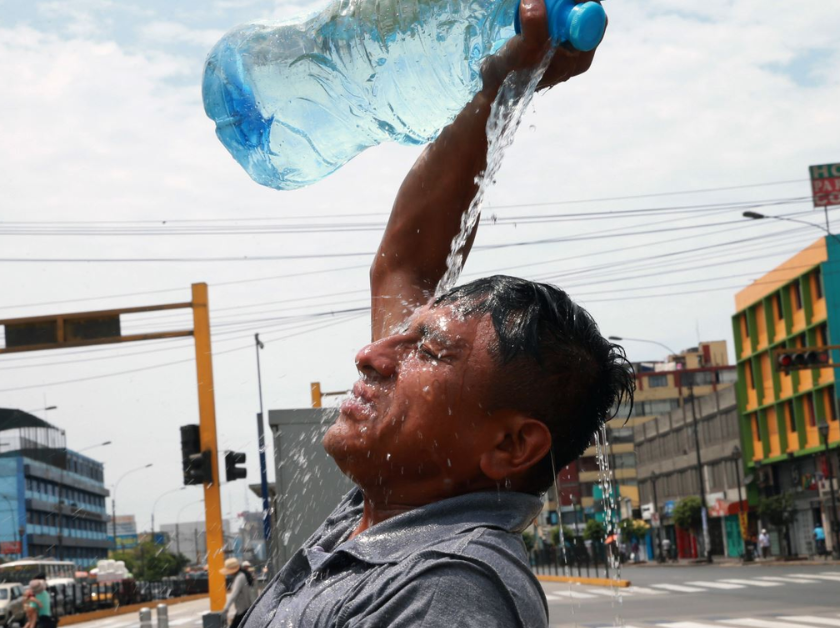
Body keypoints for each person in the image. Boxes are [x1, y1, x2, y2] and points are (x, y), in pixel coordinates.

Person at [241, 2, 624, 626]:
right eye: (406, 337)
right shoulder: (382, 517)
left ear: (510, 445)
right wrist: (505, 88)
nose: (371, 354)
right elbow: (408, 261)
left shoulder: (446, 589)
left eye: (430, 350)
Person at [221, 558, 255, 628]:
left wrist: (226, 608)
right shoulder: (241, 575)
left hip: (243, 610)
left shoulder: (240, 577)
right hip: (244, 609)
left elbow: (234, 594)